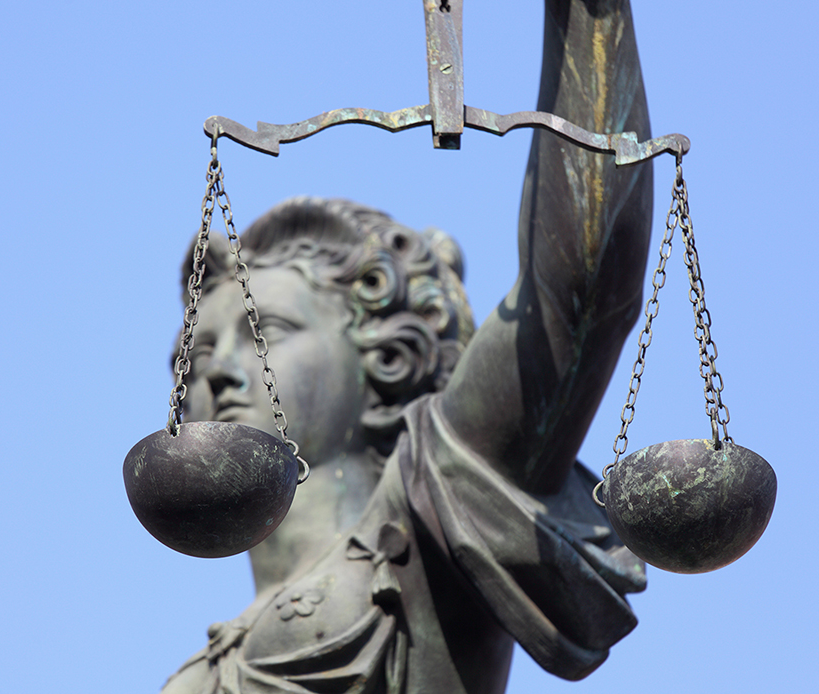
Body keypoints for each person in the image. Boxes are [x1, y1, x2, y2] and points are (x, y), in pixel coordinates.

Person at [161, 1, 653, 691]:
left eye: (264, 334)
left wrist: (588, 15)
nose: (215, 372)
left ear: (383, 359)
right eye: (198, 353)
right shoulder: (204, 667)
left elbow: (576, 291)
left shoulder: (426, 520)